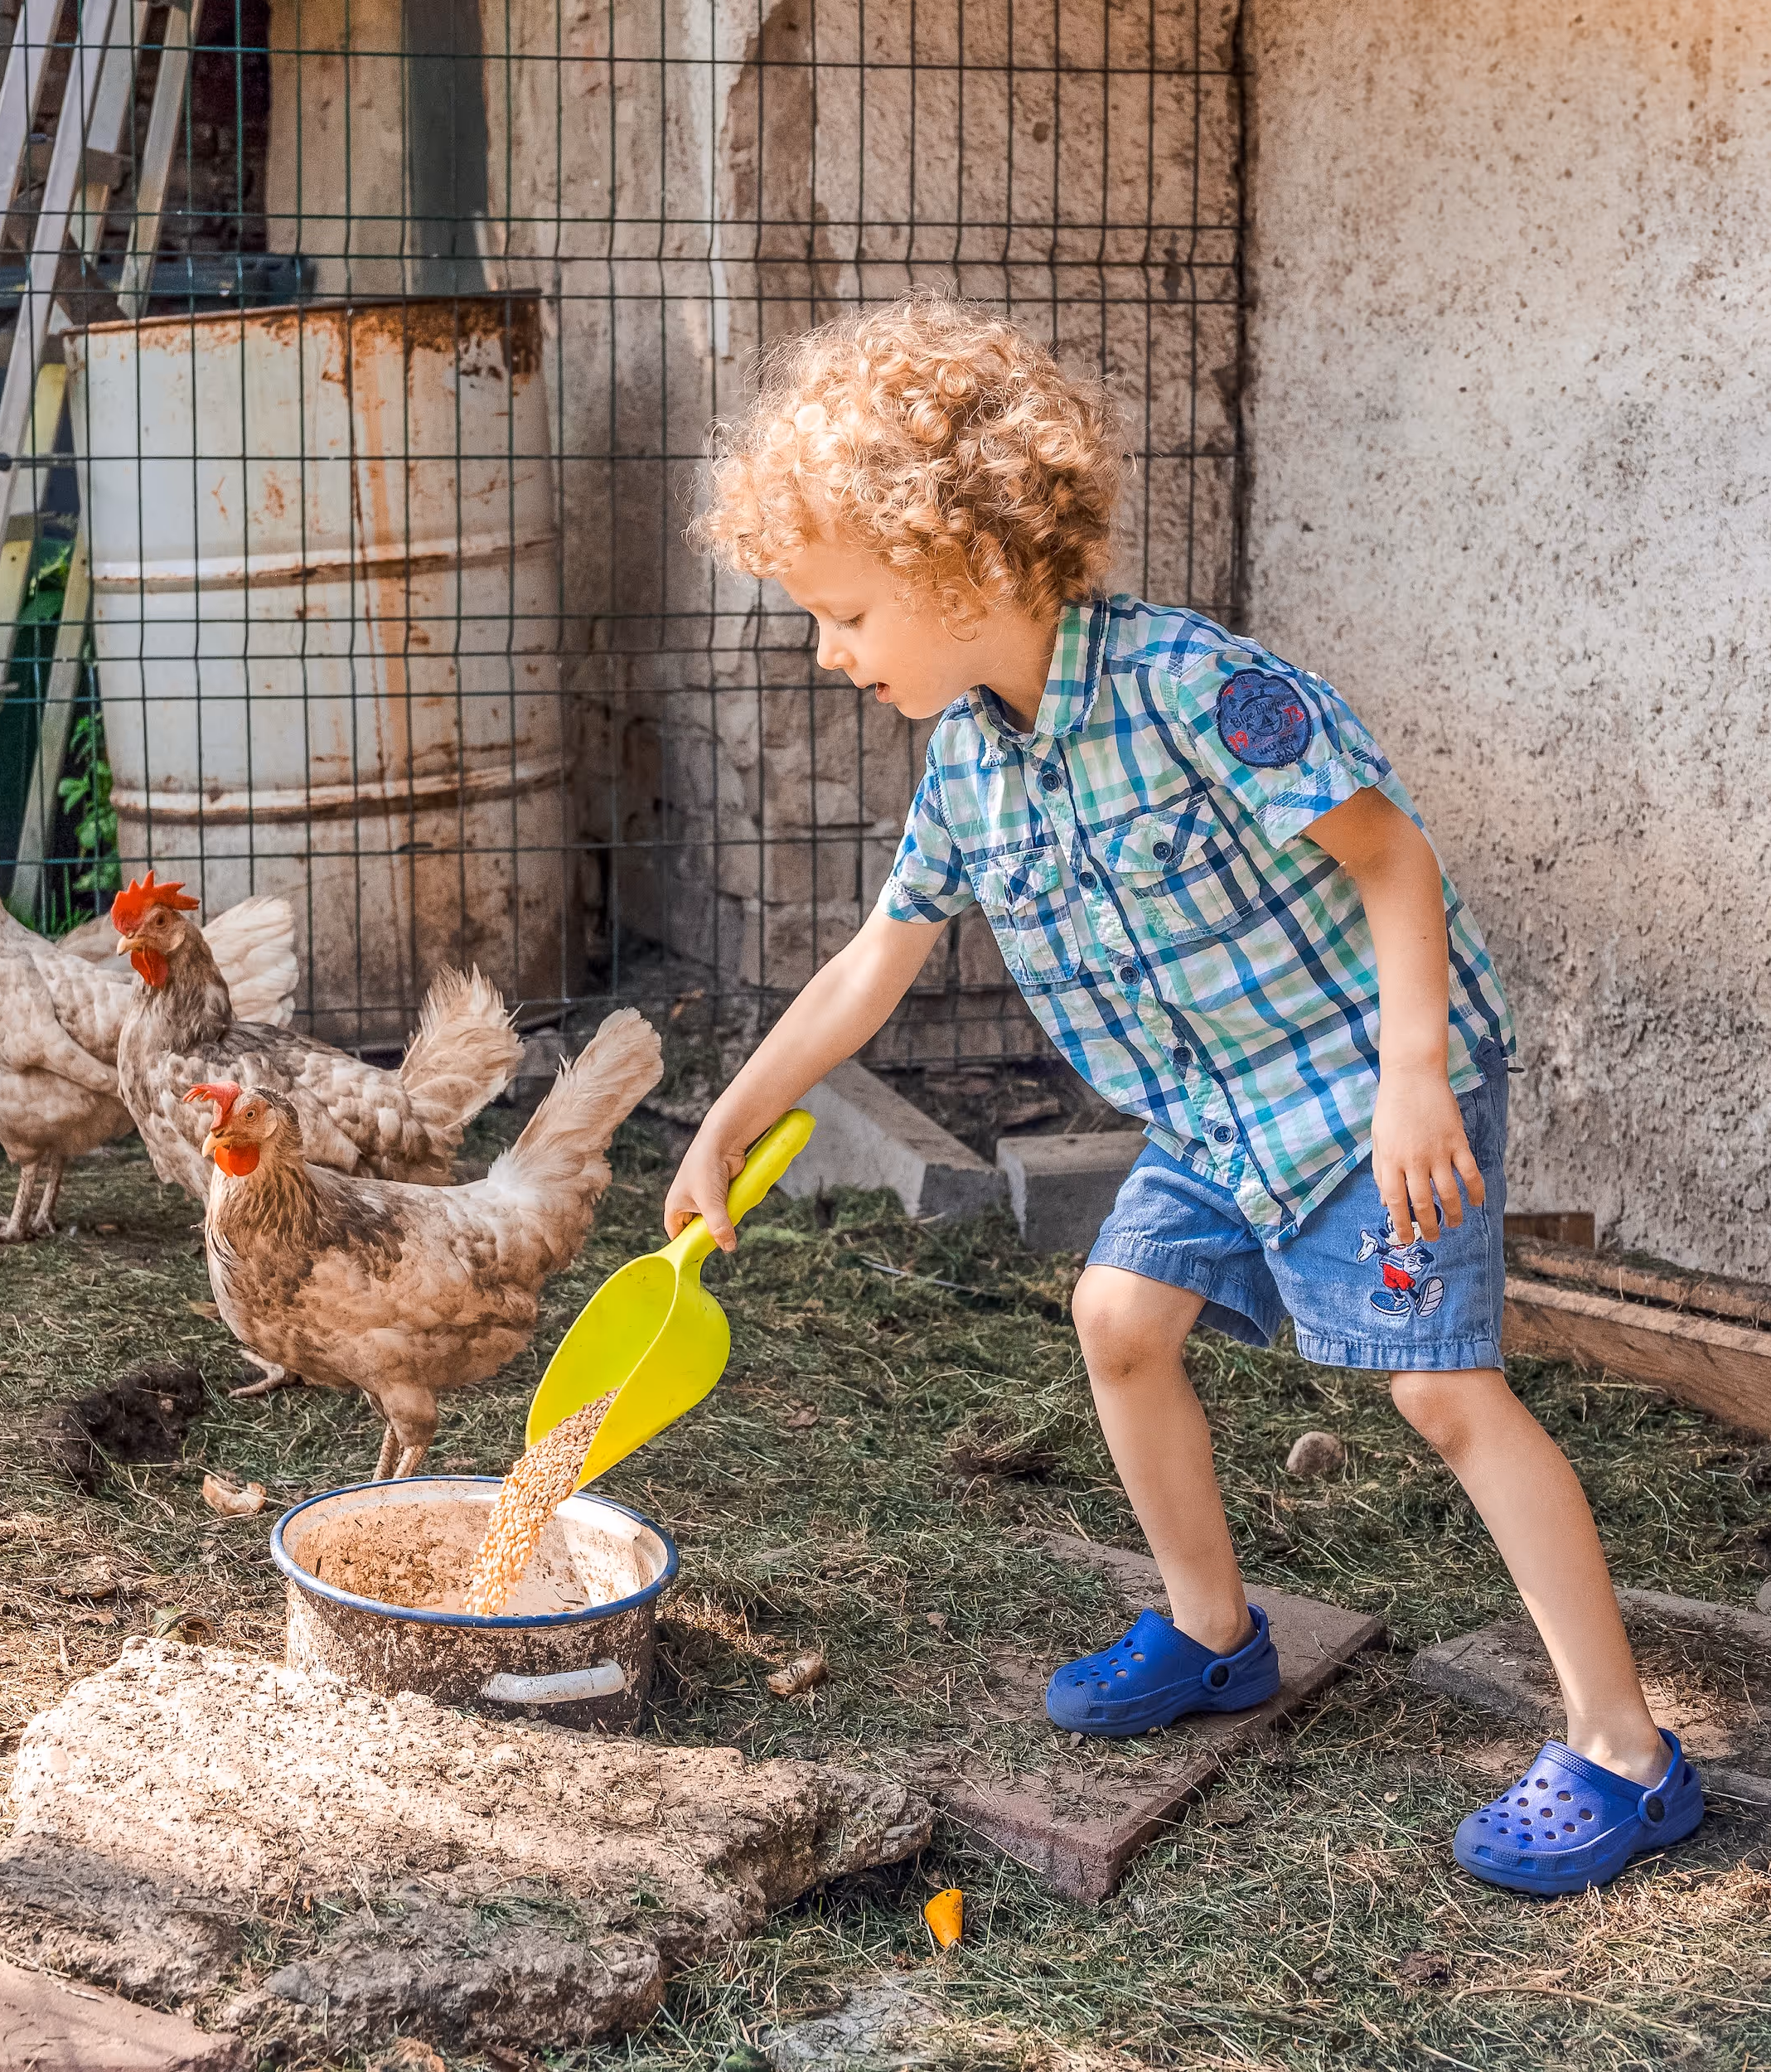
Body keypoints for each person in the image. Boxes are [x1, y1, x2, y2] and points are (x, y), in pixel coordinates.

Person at [665, 292, 1700, 1896]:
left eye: (845, 612)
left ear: (966, 563)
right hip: (1215, 1113)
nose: (828, 651)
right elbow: (876, 960)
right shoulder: (969, 761)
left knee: (1440, 1393)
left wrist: (1415, 1078)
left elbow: (1392, 860)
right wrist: (728, 1116)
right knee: (1118, 1318)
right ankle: (1216, 1629)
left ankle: (1626, 1751)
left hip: (1361, 1088)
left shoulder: (1196, 687)